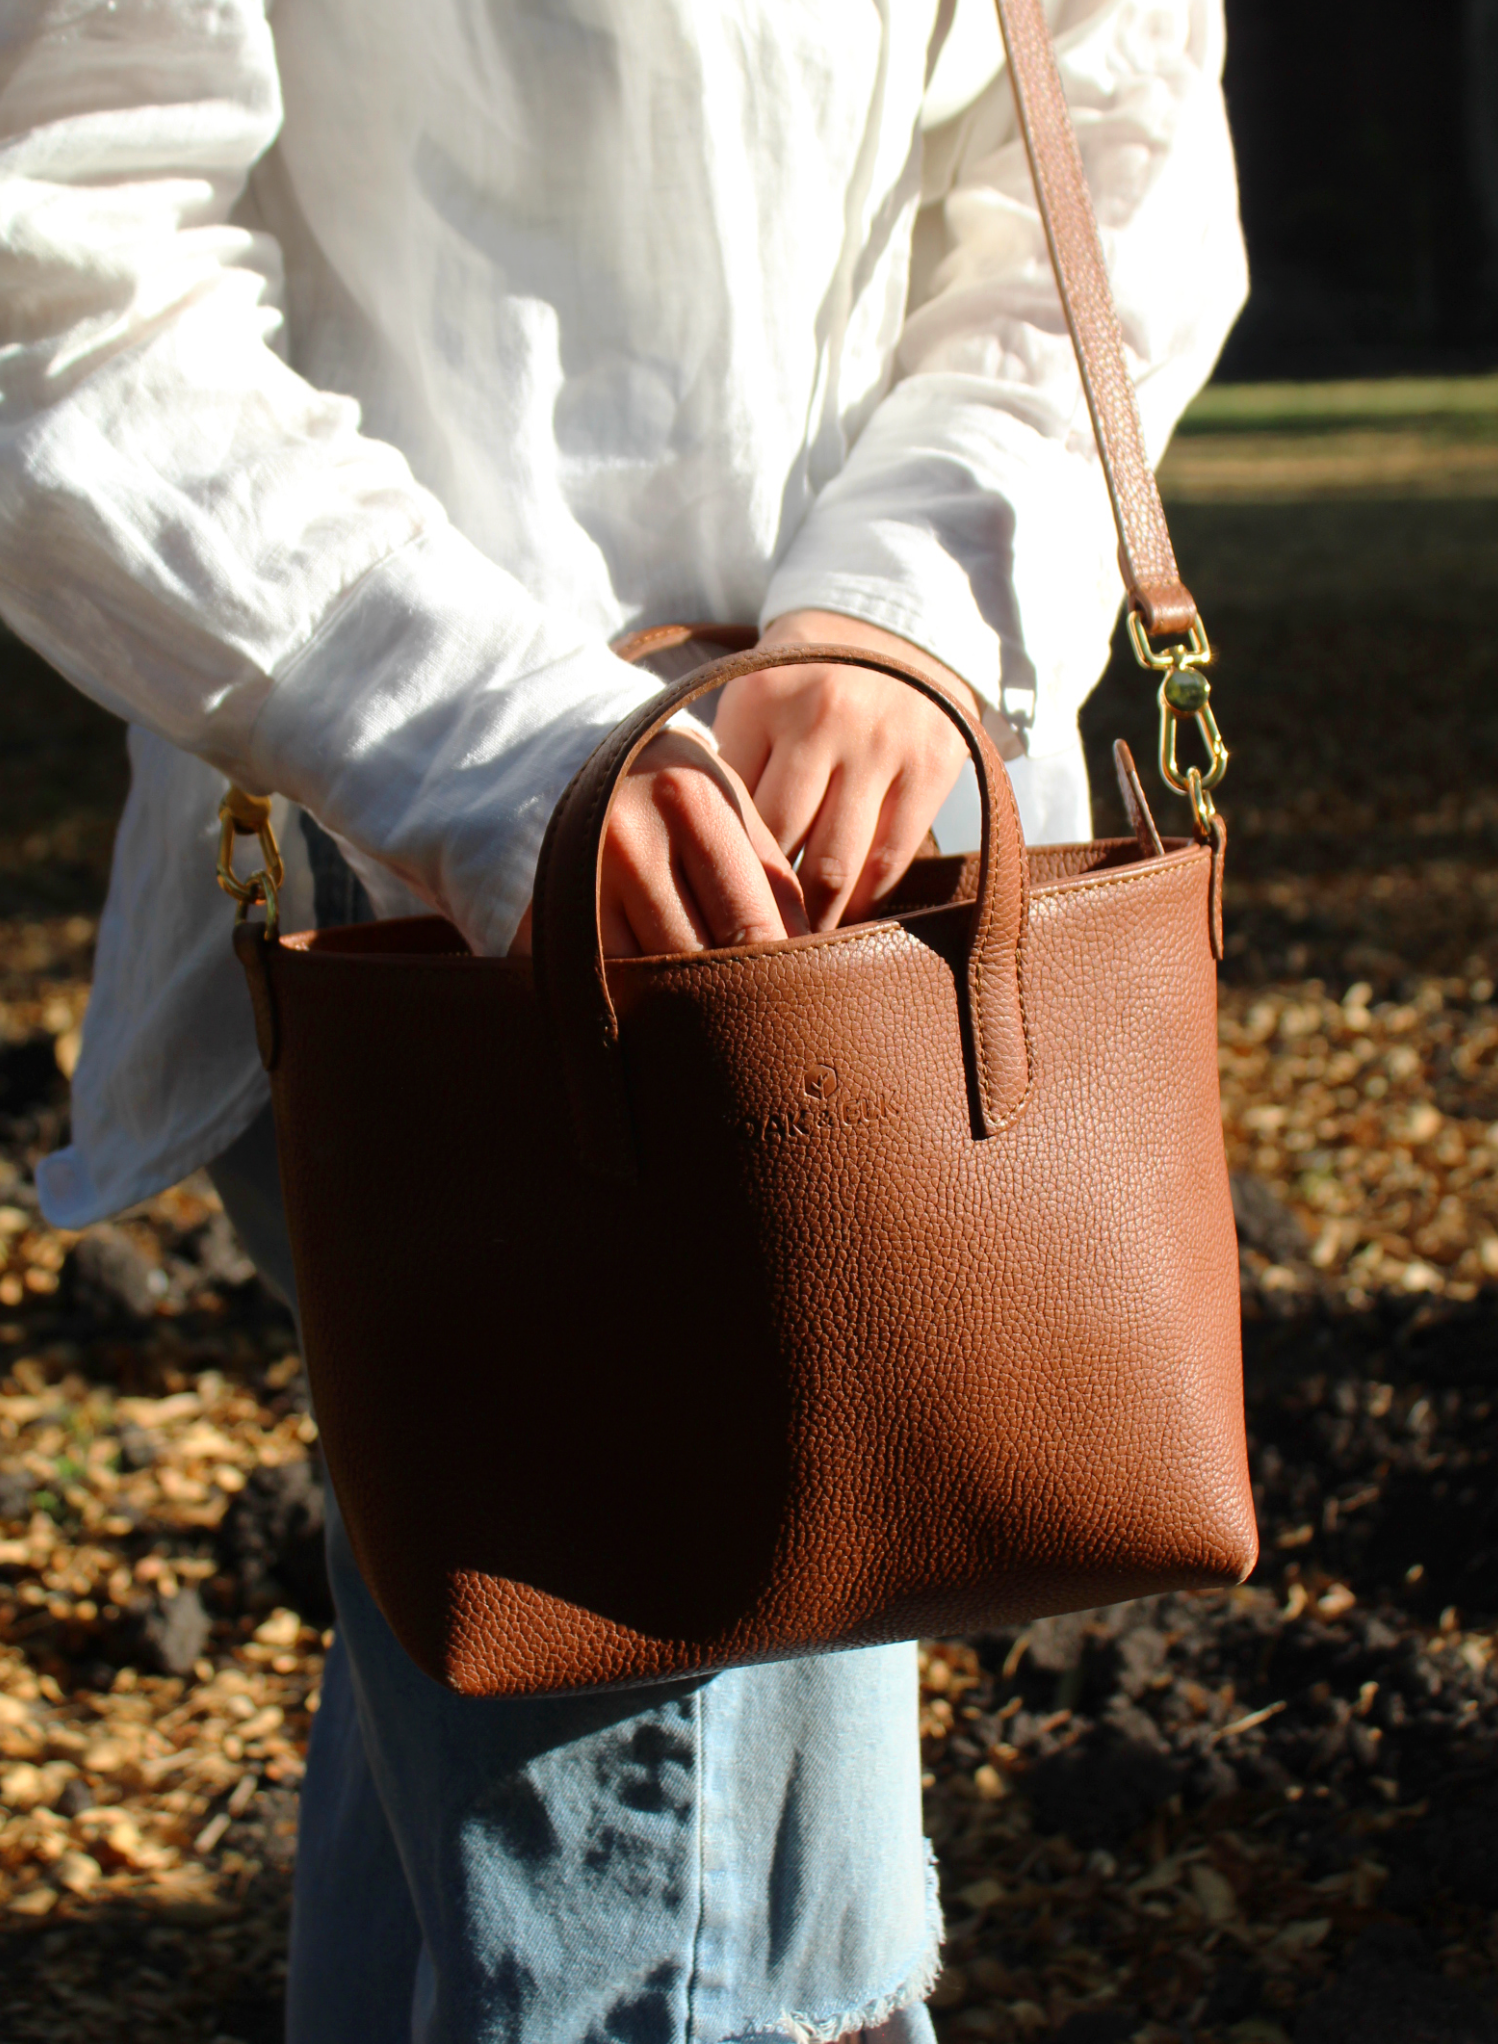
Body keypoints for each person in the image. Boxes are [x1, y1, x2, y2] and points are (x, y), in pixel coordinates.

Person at [0, 0, 1247, 2036]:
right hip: (466, 949)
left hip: (891, 949)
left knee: (621, 1900)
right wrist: (492, 744)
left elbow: (1096, 159)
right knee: (658, 1948)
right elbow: (59, 266)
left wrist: (907, 604)